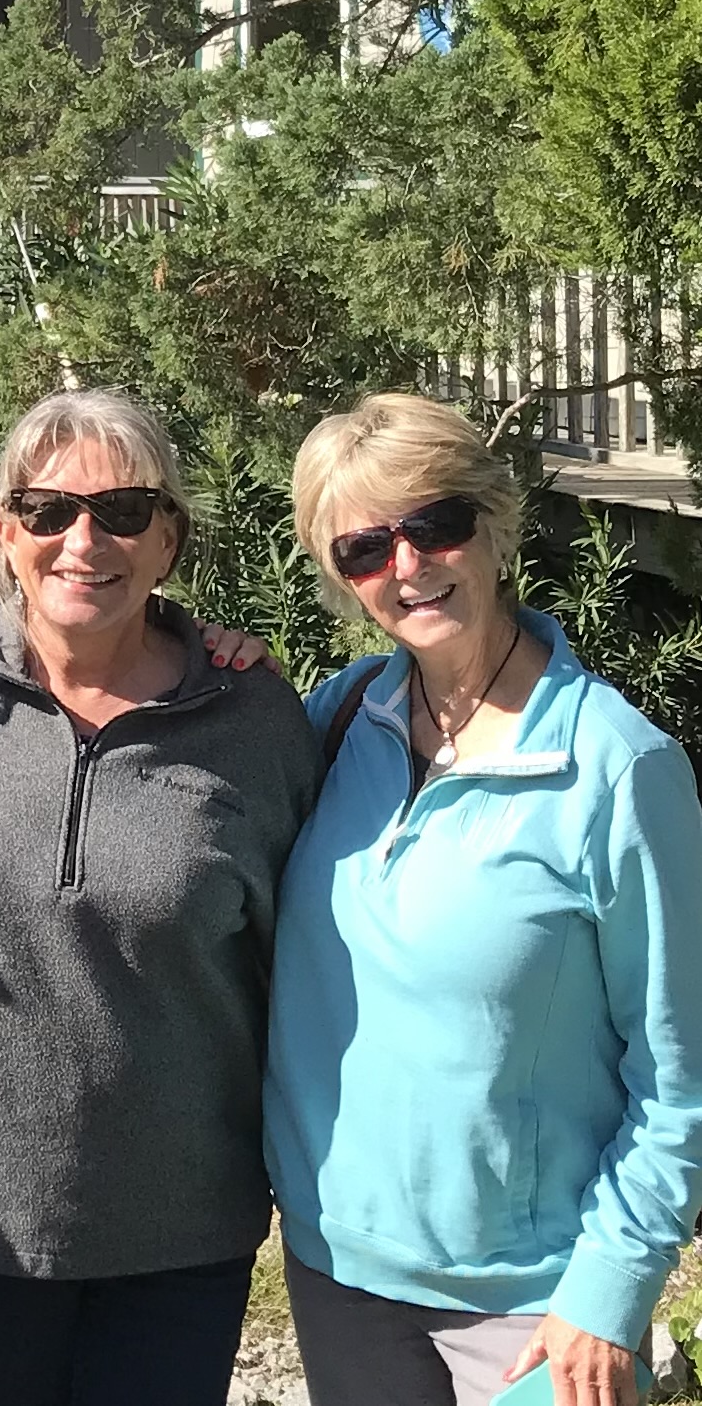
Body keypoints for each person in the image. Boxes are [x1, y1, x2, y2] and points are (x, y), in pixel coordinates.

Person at [0, 388, 322, 1406]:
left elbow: (307, 969)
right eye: (49, 511)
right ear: (2, 530)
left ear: (168, 542)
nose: (82, 540)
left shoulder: (253, 716)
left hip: (180, 1232)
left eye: (120, 513)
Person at [262, 393, 702, 1406]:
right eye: (365, 548)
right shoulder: (333, 726)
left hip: (535, 1307)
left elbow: (679, 1076)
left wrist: (608, 1288)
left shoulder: (616, 769)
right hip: (339, 1276)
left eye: (434, 524)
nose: (408, 565)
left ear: (491, 522)